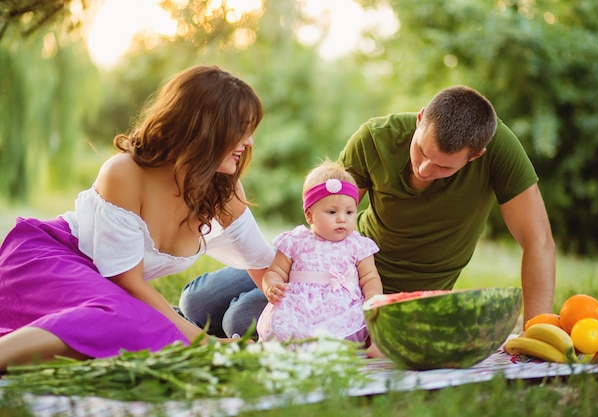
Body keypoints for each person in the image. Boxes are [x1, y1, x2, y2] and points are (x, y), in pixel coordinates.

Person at [179, 85, 556, 339]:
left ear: (475, 156)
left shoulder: (500, 149)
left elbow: (537, 240)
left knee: (240, 319)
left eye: (444, 167)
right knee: (196, 302)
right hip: (331, 258)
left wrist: (535, 332)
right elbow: (328, 206)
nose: (425, 170)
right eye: (421, 152)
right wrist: (292, 267)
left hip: (386, 291)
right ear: (421, 118)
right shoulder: (377, 138)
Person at [0, 65, 275, 372]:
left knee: (148, 333)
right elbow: (128, 284)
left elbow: (263, 265)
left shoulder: (223, 189)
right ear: (205, 127)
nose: (249, 141)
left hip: (107, 293)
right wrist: (205, 344)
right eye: (241, 128)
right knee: (137, 323)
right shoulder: (125, 172)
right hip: (50, 262)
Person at [257, 161, 383, 347]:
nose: (342, 219)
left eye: (349, 212)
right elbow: (275, 271)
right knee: (282, 324)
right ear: (309, 216)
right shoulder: (296, 241)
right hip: (299, 309)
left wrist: (373, 301)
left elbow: (370, 278)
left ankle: (335, 349)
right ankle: (295, 349)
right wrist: (271, 285)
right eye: (332, 212)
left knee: (350, 327)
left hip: (342, 310)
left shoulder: (358, 245)